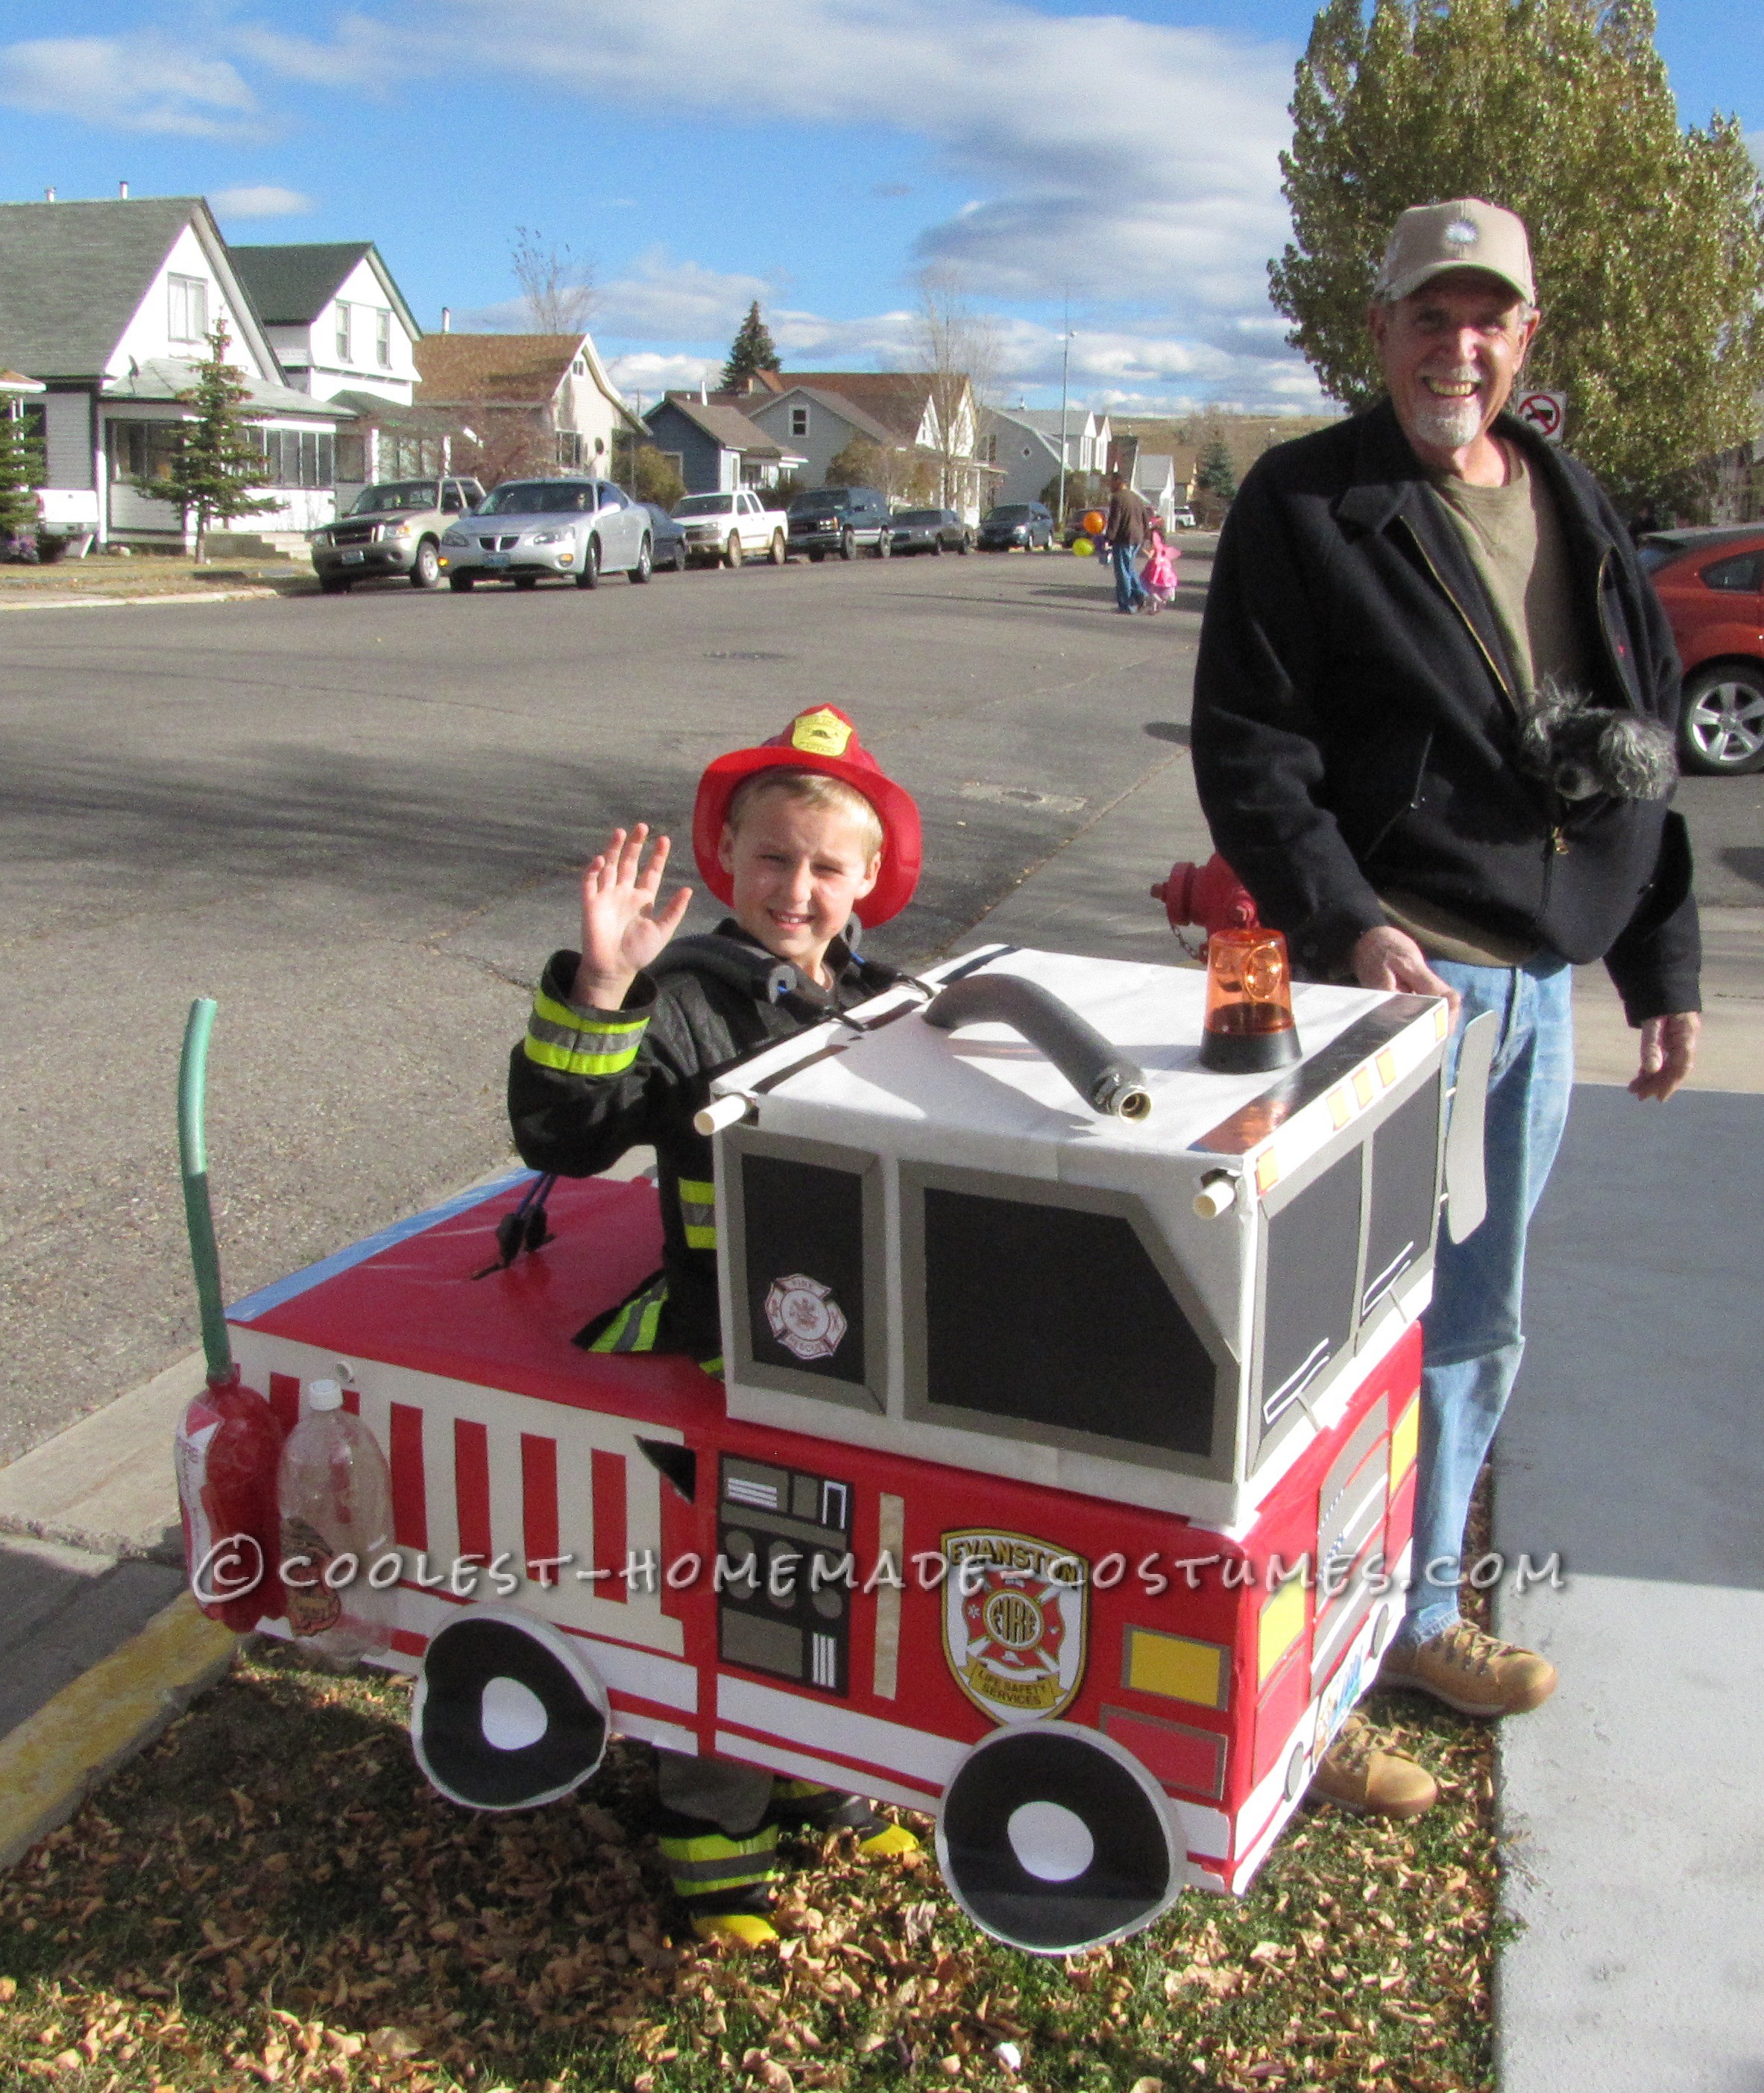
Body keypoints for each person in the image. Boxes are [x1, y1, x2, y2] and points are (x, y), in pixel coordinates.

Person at [1191, 199, 1700, 1818]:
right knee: (1327, 1339)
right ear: (1381, 327)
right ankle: (1305, 1669)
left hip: (1535, 988)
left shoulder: (1572, 497)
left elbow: (1634, 740)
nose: (1455, 346)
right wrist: (1345, 926)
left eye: (1487, 317)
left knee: (1477, 1314)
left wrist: (1658, 951)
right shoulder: (1311, 502)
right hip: (1393, 981)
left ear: (1525, 338)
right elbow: (1251, 752)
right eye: (1429, 314)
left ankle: (1406, 1620)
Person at [508, 704, 924, 1944]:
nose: (795, 888)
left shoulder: (883, 994)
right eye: (771, 860)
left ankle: (831, 1768)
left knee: (849, 1571)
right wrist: (603, 983)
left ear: (867, 883)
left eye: (824, 866)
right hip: (724, 1348)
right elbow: (565, 1138)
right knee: (743, 1585)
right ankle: (712, 1822)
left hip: (861, 1355)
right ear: (727, 863)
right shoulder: (681, 996)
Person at [1100, 471, 1153, 612]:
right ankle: (1141, 596)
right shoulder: (1136, 497)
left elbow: (1114, 520)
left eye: (1111, 481)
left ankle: (1127, 605)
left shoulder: (1118, 498)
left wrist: (1108, 539)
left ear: (1118, 481)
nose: (1109, 485)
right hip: (1137, 538)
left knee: (1122, 572)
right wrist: (1146, 537)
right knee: (1129, 569)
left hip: (1124, 538)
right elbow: (1145, 518)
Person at [1139, 516, 1179, 614]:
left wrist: (1143, 549)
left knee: (1151, 588)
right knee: (1161, 586)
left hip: (1155, 566)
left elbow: (1150, 555)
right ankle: (1156, 608)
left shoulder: (1155, 545)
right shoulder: (1163, 545)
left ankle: (1158, 602)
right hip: (1165, 565)